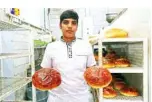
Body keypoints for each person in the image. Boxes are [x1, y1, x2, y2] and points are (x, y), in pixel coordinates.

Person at [41, 9, 96, 102]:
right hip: (56, 98)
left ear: (77, 26)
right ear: (60, 25)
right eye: (66, 22)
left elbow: (92, 70)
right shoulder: (51, 47)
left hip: (82, 97)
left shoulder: (86, 46)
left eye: (73, 23)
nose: (70, 26)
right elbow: (45, 72)